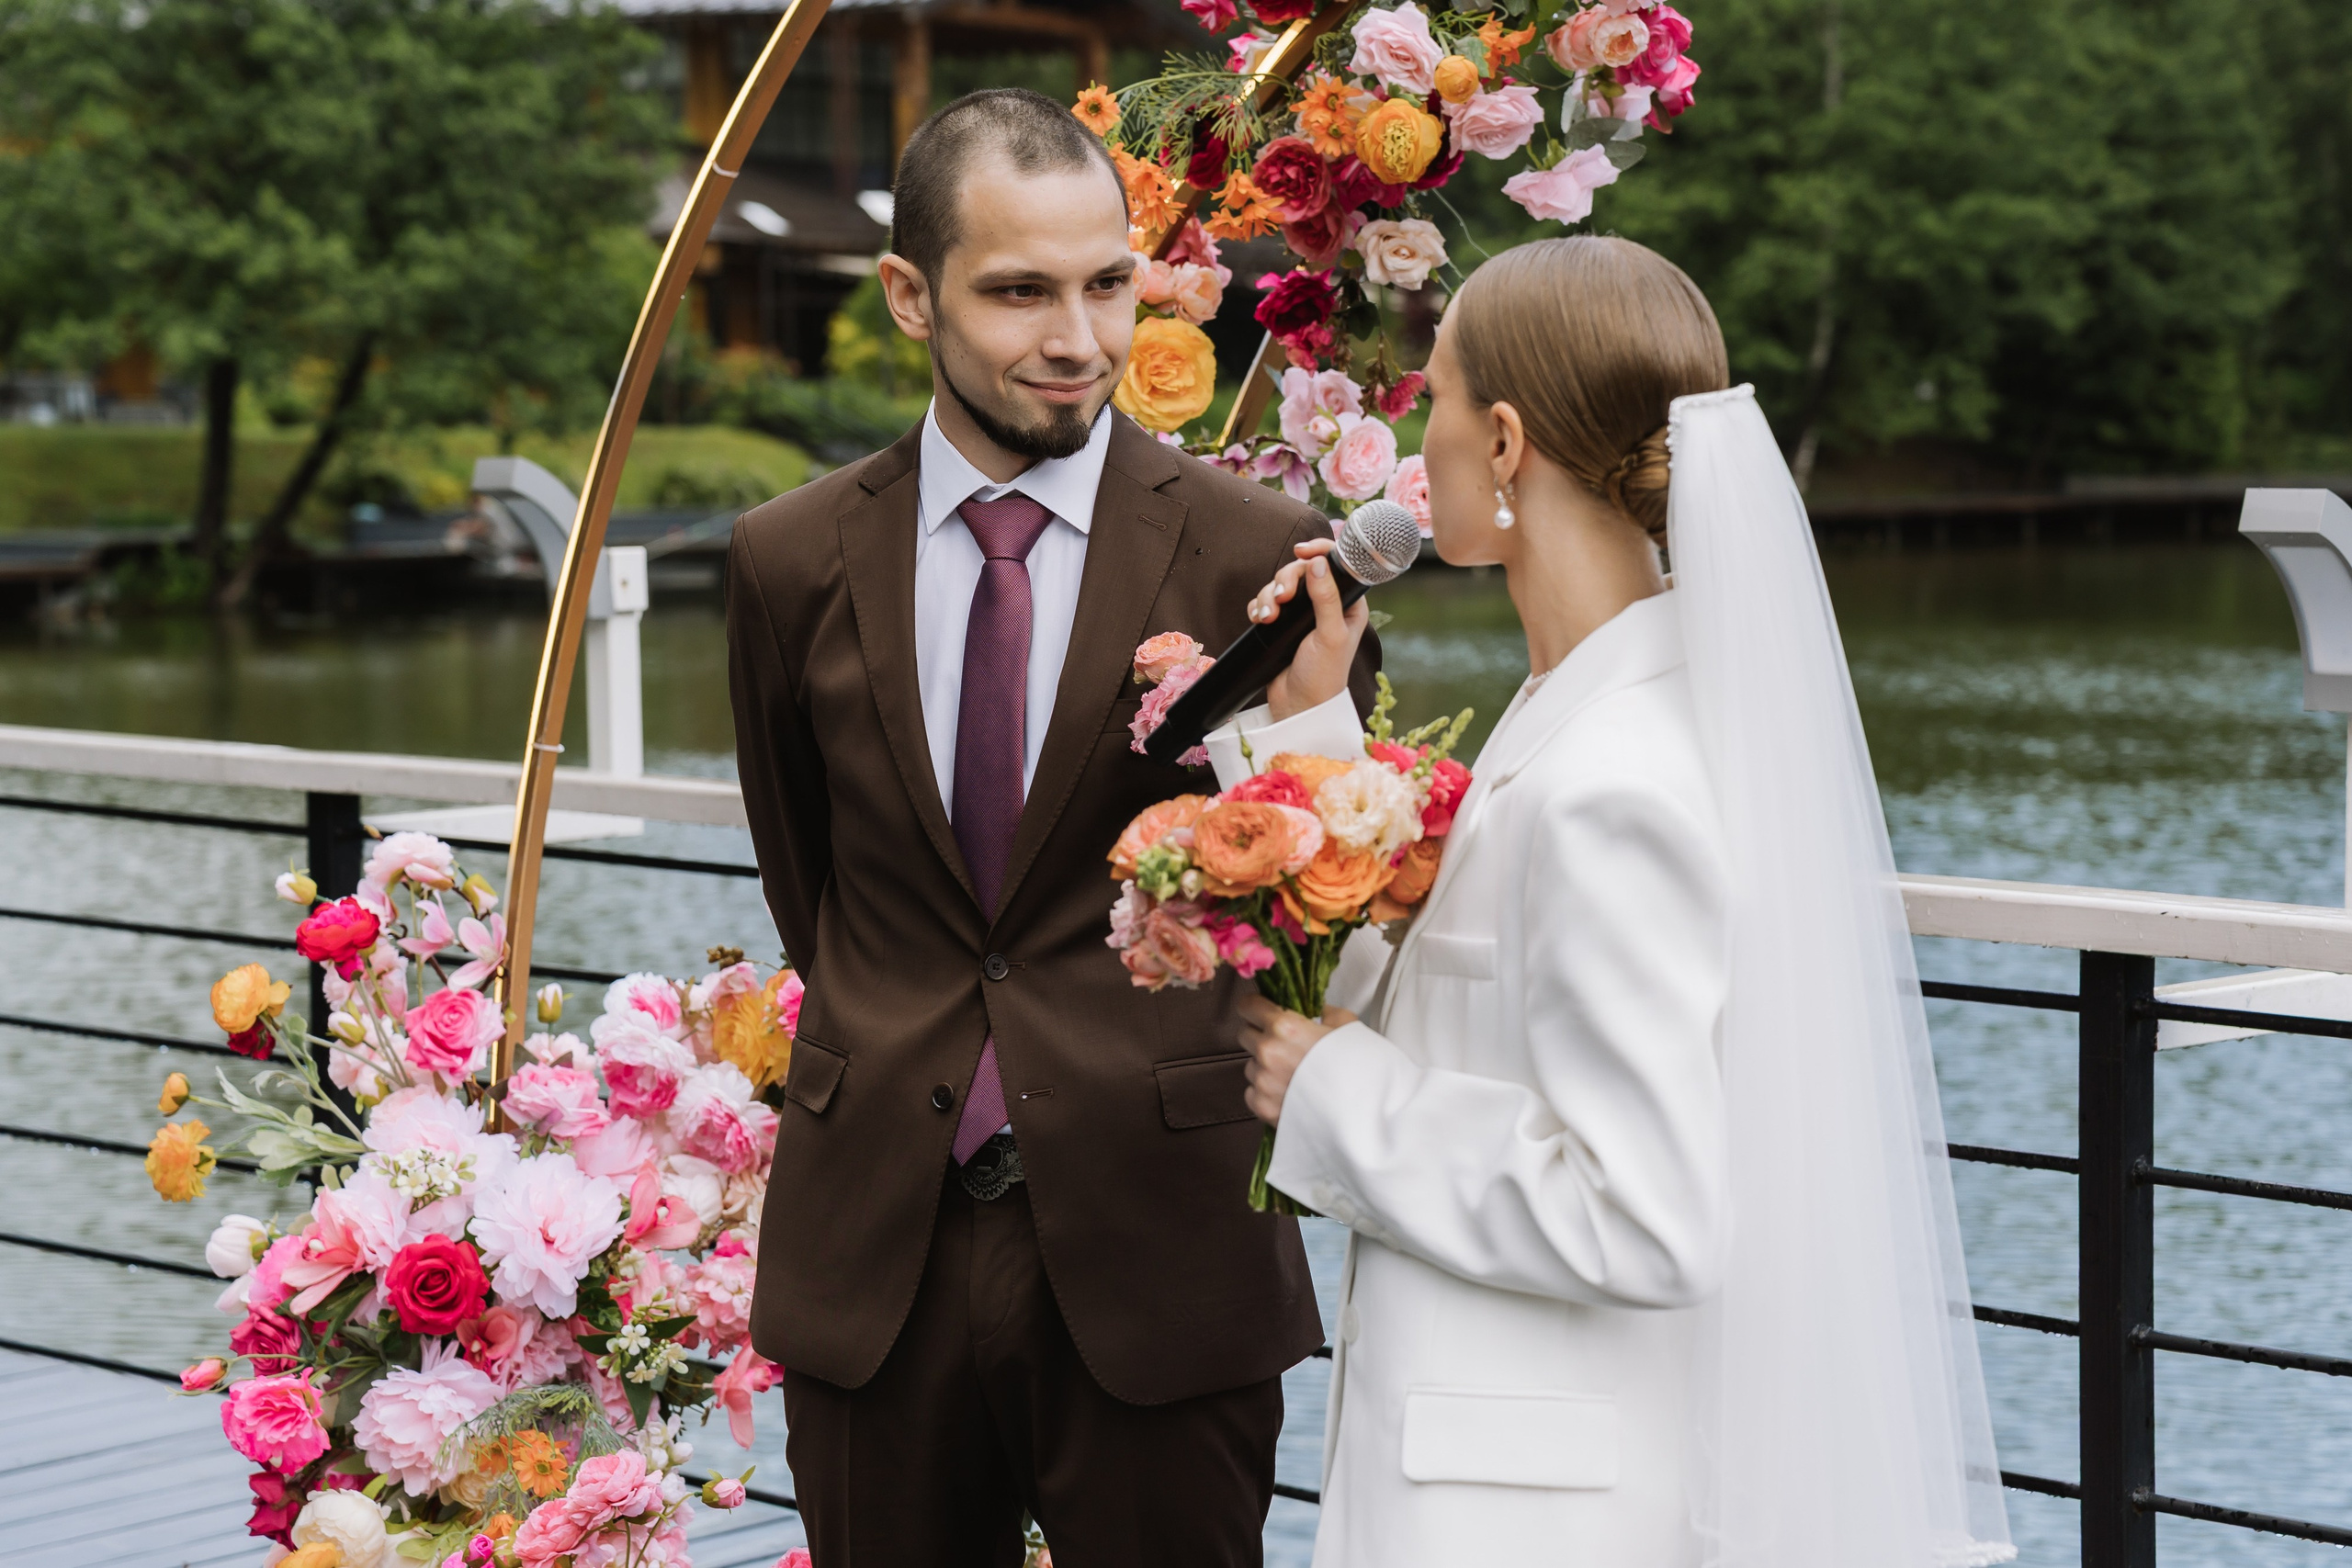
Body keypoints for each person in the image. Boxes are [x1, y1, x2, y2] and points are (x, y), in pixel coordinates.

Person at [1221, 237, 2014, 1567]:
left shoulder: (1616, 785)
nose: (1420, 444)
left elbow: (1644, 1213)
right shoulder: (1577, 714)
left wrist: (1332, 1097)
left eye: (1439, 402)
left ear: (1510, 441)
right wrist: (1314, 749)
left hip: (1532, 1514)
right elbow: (1474, 1031)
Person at [726, 88, 1375, 1566]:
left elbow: (1329, 891)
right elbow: (811, 883)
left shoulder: (1257, 561)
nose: (1077, 337)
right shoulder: (785, 560)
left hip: (1164, 1241)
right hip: (876, 1242)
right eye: (1019, 291)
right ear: (909, 295)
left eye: (1106, 281)